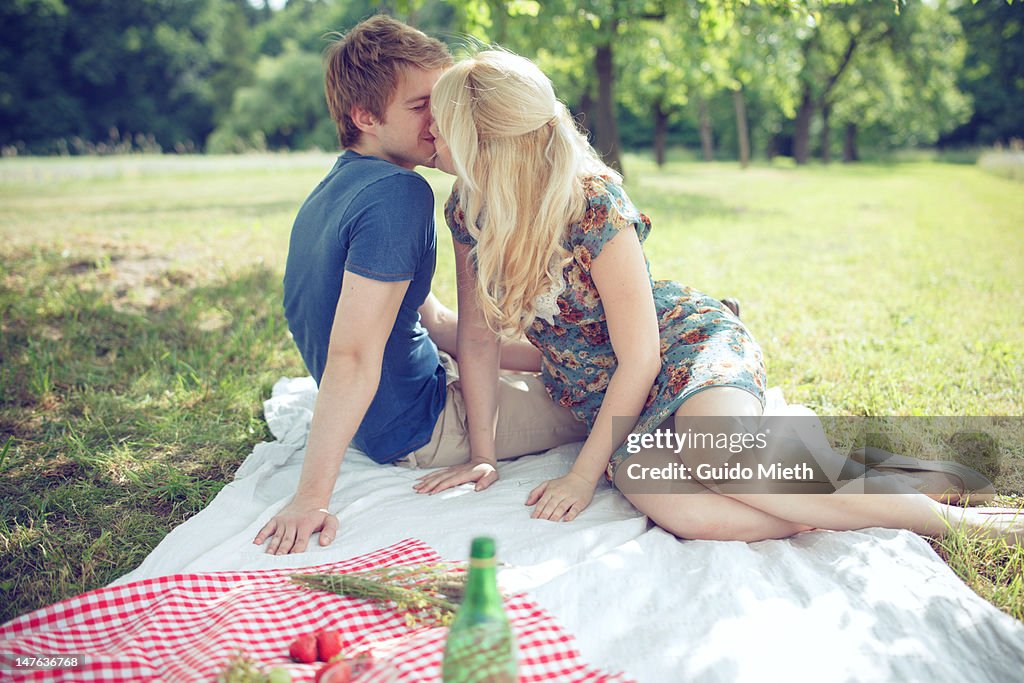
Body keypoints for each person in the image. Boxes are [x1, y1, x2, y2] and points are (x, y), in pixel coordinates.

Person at [425, 49, 1022, 544]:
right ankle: (874, 490)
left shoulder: (592, 205)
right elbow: (478, 339)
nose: (428, 130)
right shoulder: (467, 210)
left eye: (441, 123)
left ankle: (962, 525)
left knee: (723, 463)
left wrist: (583, 477)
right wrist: (484, 454)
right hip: (613, 402)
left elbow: (642, 356)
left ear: (488, 144)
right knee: (685, 512)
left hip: (681, 351)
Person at [253, 16, 589, 556]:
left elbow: (432, 322)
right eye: (419, 107)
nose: (441, 122)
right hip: (422, 427)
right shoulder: (397, 197)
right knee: (598, 395)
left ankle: (637, 344)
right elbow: (354, 355)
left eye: (444, 101)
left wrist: (570, 352)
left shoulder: (341, 185)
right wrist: (312, 498)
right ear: (364, 116)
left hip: (412, 393)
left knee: (583, 365)